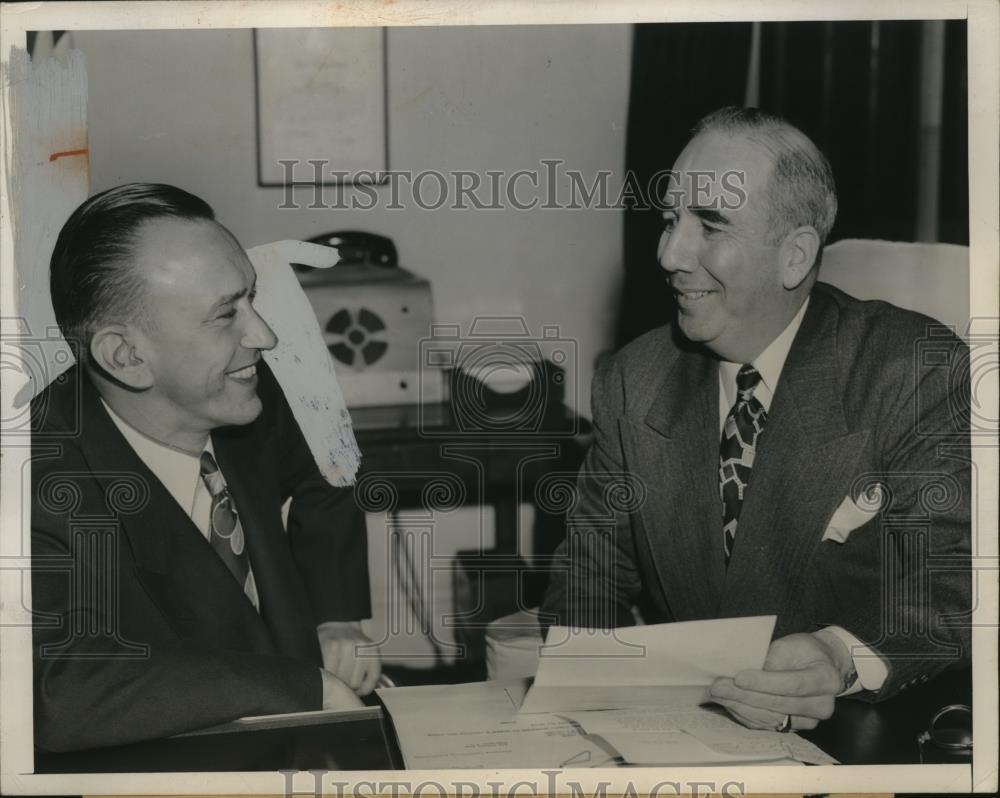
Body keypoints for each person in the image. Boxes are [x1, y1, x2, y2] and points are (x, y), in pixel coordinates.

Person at [540, 107, 971, 732]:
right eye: (669, 221)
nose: (669, 254)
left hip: (865, 733)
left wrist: (839, 656)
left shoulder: (912, 370)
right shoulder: (635, 378)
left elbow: (950, 588)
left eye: (710, 226)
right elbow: (590, 577)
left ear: (794, 256)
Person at [31, 183, 381, 752]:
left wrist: (334, 613)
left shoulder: (237, 390)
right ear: (127, 356)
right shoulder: (31, 482)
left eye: (252, 298)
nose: (264, 336)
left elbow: (330, 463)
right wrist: (301, 686)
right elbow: (54, 690)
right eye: (226, 316)